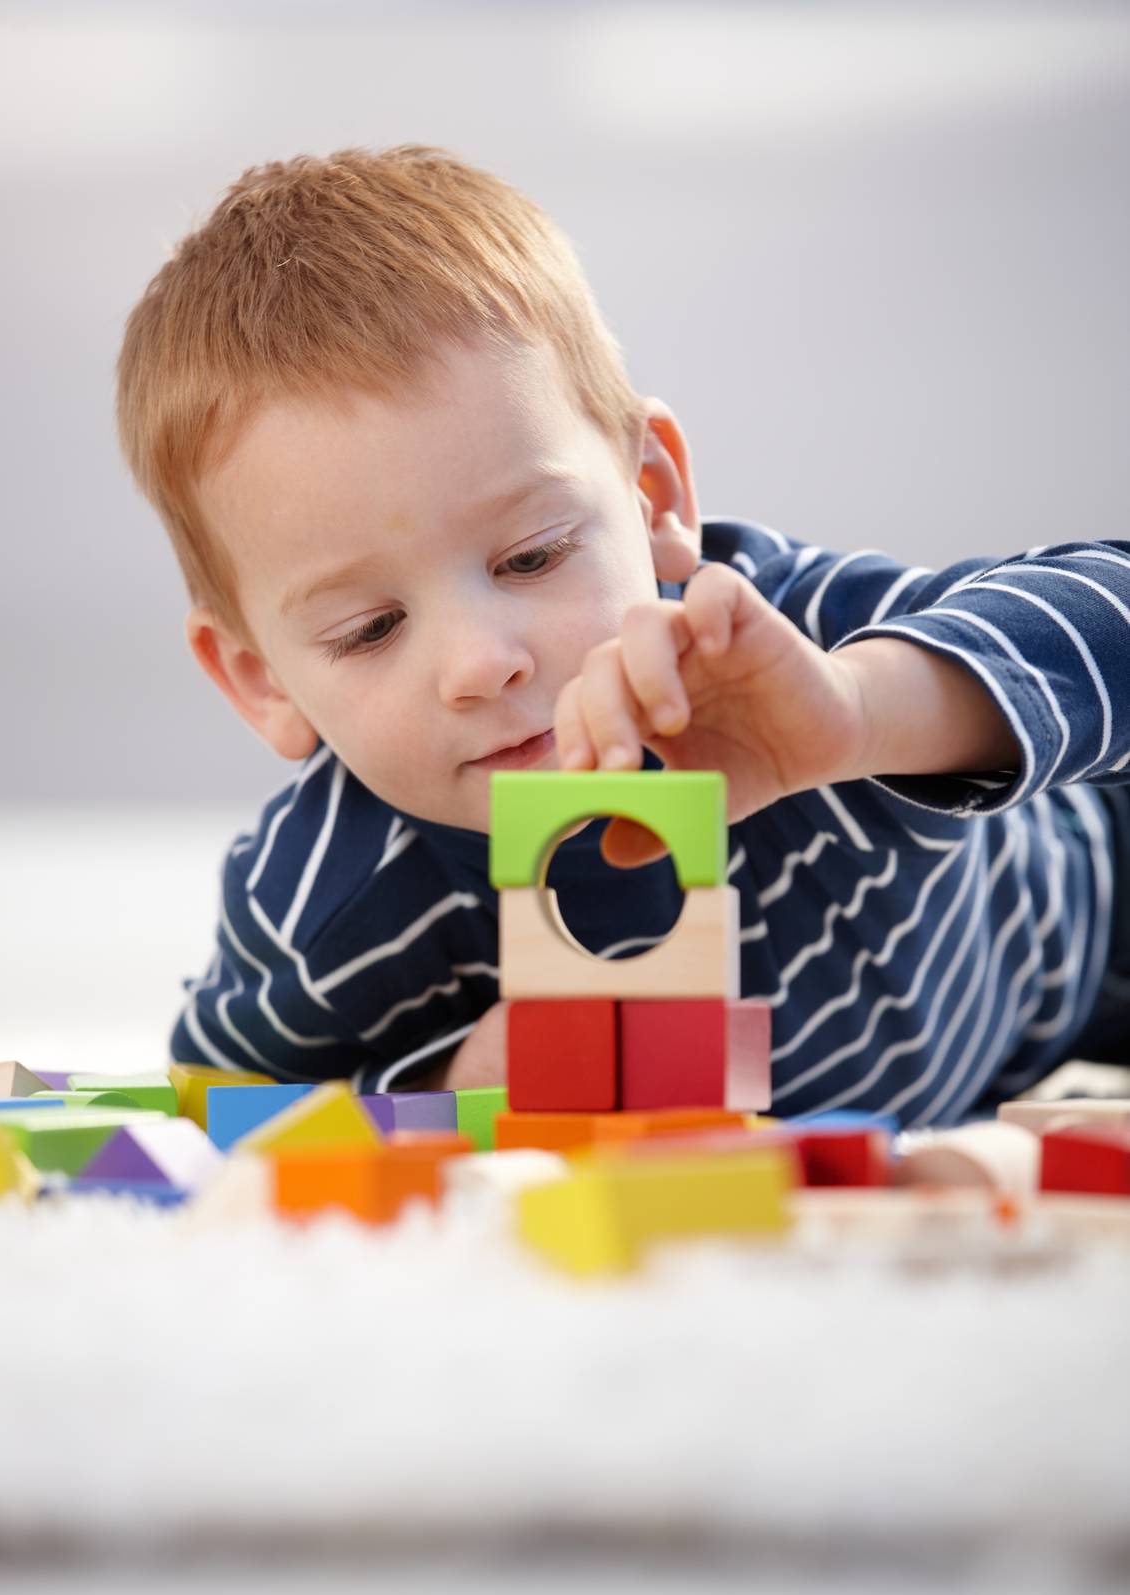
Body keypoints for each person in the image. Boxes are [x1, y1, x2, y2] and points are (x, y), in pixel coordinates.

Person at [115, 145, 1129, 1127]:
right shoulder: (326, 902)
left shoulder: (772, 638)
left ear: (651, 497)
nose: (480, 660)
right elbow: (213, 1112)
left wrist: (862, 709)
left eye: (530, 559)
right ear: (260, 682)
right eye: (370, 628)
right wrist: (449, 1088)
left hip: (1086, 926)